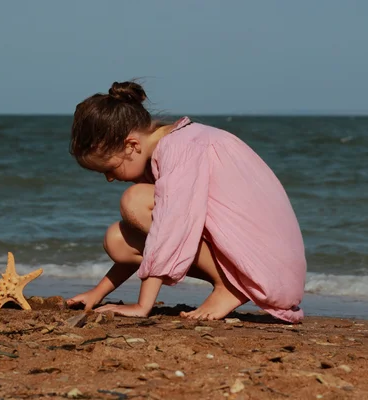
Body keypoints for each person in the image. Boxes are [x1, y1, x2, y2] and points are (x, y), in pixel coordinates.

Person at [66, 81, 306, 322]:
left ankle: (227, 286)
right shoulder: (172, 145)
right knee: (118, 240)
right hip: (263, 263)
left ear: (132, 146)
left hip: (269, 269)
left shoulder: (180, 147)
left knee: (135, 200)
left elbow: (171, 227)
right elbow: (156, 239)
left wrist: (142, 306)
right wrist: (97, 293)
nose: (109, 178)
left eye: (110, 169)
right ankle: (228, 282)